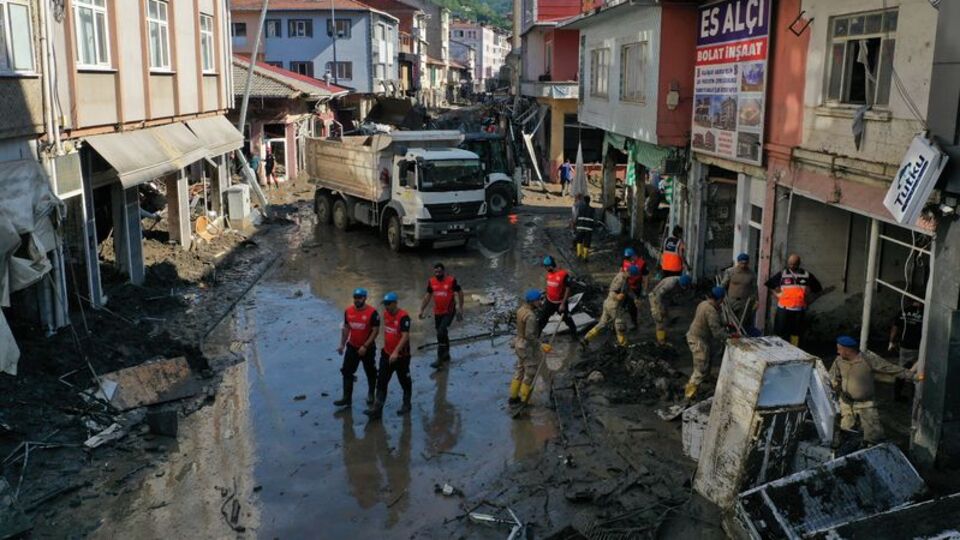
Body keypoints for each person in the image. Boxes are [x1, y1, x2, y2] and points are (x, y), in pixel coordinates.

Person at [830, 335, 915, 444]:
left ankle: (871, 448)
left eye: (839, 349)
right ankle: (846, 450)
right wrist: (834, 383)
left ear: (847, 351)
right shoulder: (839, 361)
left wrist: (913, 376)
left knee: (874, 435)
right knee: (846, 431)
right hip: (846, 403)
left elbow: (890, 368)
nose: (837, 352)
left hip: (866, 404)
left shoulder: (868, 359)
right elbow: (833, 376)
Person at [364, 292, 413, 420]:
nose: (386, 307)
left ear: (395, 303)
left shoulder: (404, 317)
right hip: (386, 354)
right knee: (381, 381)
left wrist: (396, 352)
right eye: (384, 304)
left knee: (404, 381)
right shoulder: (385, 315)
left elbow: (405, 336)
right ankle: (377, 409)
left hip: (401, 356)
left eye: (388, 304)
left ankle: (407, 404)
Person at [335, 288, 380, 408]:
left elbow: (375, 331)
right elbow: (346, 328)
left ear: (365, 298)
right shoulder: (348, 311)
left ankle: (371, 394)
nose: (357, 299)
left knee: (371, 372)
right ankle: (346, 398)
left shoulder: (373, 313)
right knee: (346, 371)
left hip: (368, 348)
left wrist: (365, 346)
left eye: (360, 297)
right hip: (352, 347)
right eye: (355, 297)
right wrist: (342, 345)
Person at [764, 254, 822, 346]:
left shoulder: (806, 275)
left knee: (796, 333)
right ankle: (779, 349)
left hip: (799, 310)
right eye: (790, 264)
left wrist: (808, 294)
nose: (792, 266)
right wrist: (777, 294)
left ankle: (795, 349)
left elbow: (818, 288)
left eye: (794, 264)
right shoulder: (783, 274)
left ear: (799, 263)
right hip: (784, 309)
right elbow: (769, 283)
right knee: (780, 332)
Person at [685, 287, 729, 400]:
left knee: (707, 360)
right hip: (698, 340)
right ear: (719, 299)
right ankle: (689, 394)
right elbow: (717, 332)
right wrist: (729, 337)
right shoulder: (711, 311)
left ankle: (706, 380)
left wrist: (724, 323)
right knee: (701, 367)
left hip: (697, 336)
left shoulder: (704, 303)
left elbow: (717, 320)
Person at [418, 263, 464, 369]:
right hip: (438, 312)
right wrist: (421, 309)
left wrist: (460, 308)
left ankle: (439, 359)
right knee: (442, 332)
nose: (437, 273)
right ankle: (446, 354)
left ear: (443, 271)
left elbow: (460, 292)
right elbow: (427, 296)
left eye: (439, 271)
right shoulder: (431, 282)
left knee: (441, 332)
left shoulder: (451, 281)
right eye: (435, 272)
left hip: (449, 311)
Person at [509, 289, 546, 407]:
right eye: (539, 300)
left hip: (518, 343)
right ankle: (524, 399)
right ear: (532, 301)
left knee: (520, 370)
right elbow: (530, 335)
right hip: (526, 346)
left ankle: (513, 397)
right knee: (530, 372)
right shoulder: (530, 316)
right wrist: (541, 345)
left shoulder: (521, 310)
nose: (540, 302)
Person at [581, 264, 630, 348]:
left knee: (602, 323)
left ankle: (586, 338)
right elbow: (612, 292)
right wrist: (617, 297)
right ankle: (623, 344)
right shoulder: (622, 280)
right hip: (613, 306)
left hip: (607, 304)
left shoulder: (620, 275)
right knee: (620, 324)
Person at [888, 299, 924, 401]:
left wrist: (891, 341)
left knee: (902, 369)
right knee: (916, 371)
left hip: (905, 346)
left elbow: (895, 327)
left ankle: (897, 394)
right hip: (918, 346)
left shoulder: (904, 311)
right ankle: (914, 396)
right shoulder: (925, 312)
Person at [538, 256, 579, 337]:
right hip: (549, 301)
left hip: (560, 303)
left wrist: (563, 304)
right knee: (542, 319)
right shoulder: (549, 274)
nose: (545, 269)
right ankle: (536, 336)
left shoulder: (563, 275)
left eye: (546, 267)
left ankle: (574, 336)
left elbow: (568, 289)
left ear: (551, 266)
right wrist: (545, 296)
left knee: (568, 320)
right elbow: (548, 287)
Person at [649, 274, 692, 344]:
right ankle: (661, 341)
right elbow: (658, 295)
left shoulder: (681, 280)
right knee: (659, 318)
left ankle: (663, 333)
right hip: (655, 297)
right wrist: (660, 307)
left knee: (665, 315)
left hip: (665, 298)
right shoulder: (671, 283)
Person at [721, 253, 758, 331]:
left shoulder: (751, 274)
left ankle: (740, 337)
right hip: (732, 301)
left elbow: (754, 288)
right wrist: (720, 297)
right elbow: (723, 285)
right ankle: (729, 335)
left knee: (742, 322)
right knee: (730, 320)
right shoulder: (730, 272)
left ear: (748, 263)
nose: (743, 265)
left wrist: (756, 300)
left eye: (745, 263)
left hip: (745, 302)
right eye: (742, 263)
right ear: (738, 262)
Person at [621, 248, 650, 329]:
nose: (628, 259)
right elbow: (621, 271)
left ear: (634, 256)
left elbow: (646, 277)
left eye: (629, 258)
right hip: (625, 286)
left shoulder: (641, 263)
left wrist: (645, 289)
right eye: (627, 258)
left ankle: (634, 322)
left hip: (635, 287)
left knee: (632, 306)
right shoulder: (625, 261)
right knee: (621, 303)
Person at [574, 195, 599, 261]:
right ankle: (585, 257)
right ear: (589, 201)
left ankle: (579, 254)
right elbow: (595, 220)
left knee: (579, 241)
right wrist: (595, 225)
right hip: (589, 229)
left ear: (584, 201)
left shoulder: (579, 208)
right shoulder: (593, 210)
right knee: (587, 243)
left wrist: (575, 224)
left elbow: (576, 217)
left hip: (580, 228)